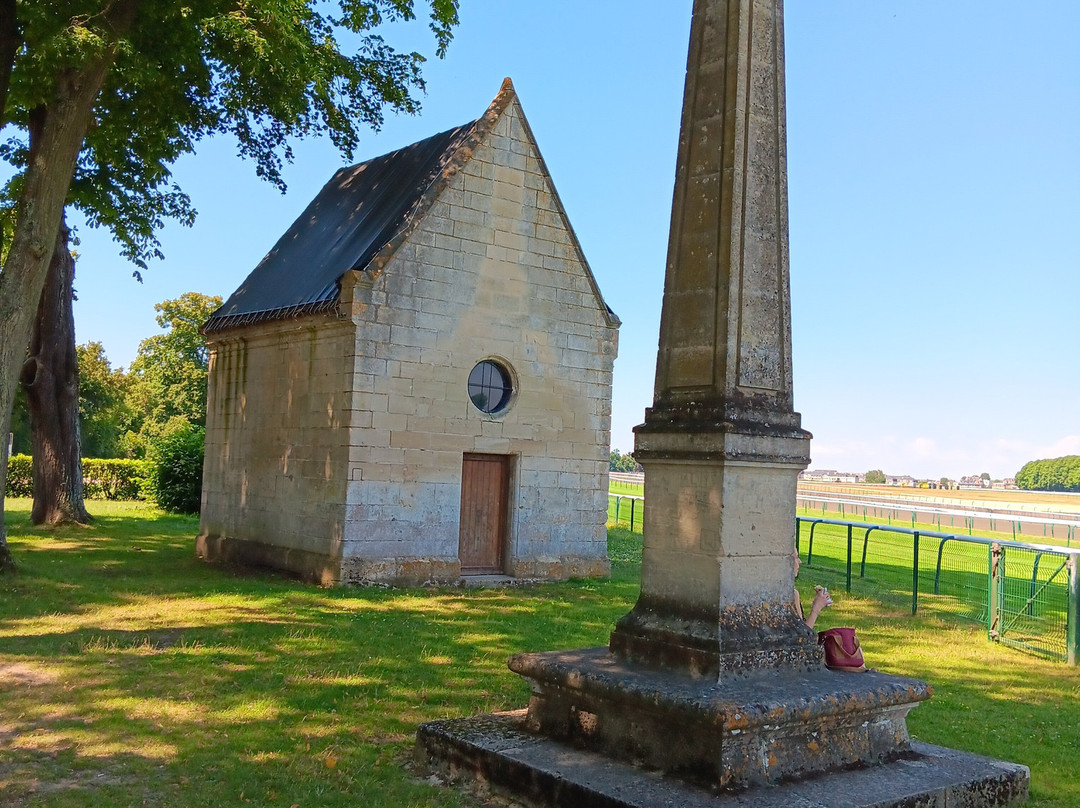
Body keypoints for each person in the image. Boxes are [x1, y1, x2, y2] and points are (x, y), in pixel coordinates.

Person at [793, 548, 832, 628]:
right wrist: (816, 607)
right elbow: (803, 636)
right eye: (796, 558)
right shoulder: (792, 594)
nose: (800, 562)